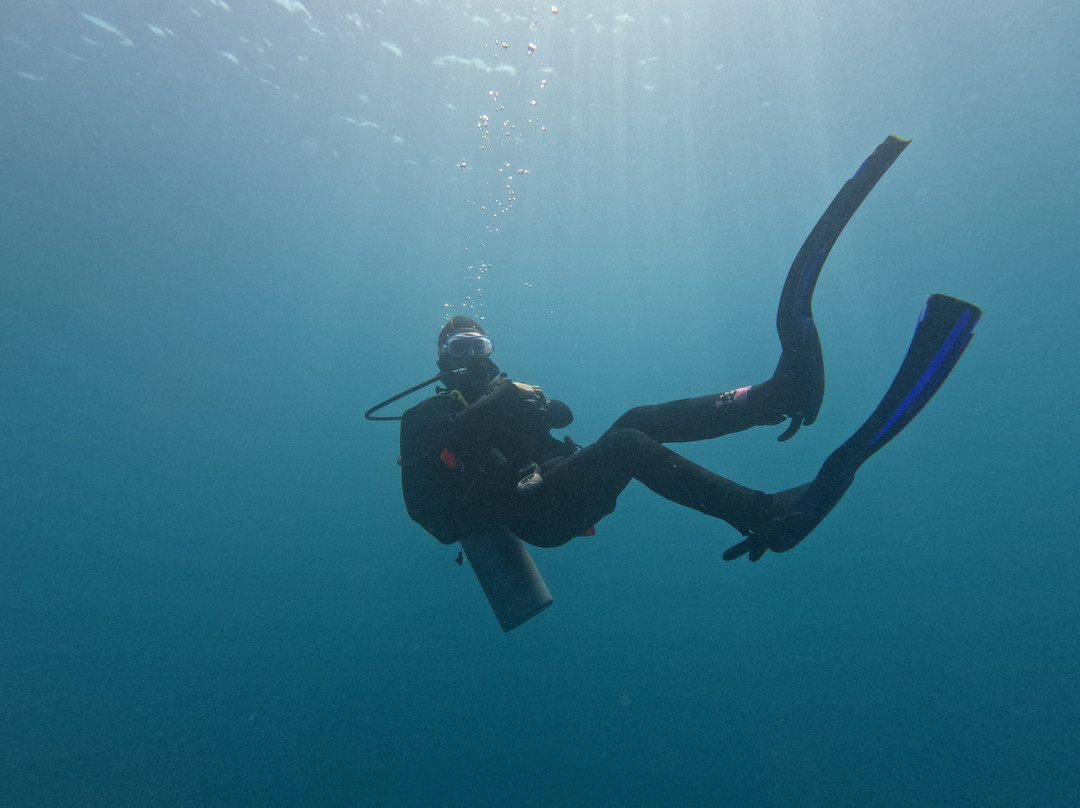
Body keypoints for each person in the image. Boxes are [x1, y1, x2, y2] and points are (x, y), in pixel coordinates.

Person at [373, 136, 982, 562]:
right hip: (534, 519)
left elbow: (554, 437)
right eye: (457, 351)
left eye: (477, 344)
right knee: (632, 441)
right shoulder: (428, 418)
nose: (472, 358)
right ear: (441, 365)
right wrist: (498, 412)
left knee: (636, 422)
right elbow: (432, 515)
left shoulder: (511, 397)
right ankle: (759, 510)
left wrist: (537, 416)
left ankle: (776, 396)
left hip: (562, 486)